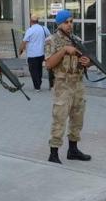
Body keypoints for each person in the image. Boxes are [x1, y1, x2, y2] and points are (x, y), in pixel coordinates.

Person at [45, 9, 92, 164]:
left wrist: (87, 63)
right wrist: (64, 50)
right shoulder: (52, 40)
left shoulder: (77, 40)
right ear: (59, 24)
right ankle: (54, 152)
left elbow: (87, 61)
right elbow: (49, 64)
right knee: (59, 118)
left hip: (78, 83)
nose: (70, 25)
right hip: (62, 85)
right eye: (66, 22)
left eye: (71, 22)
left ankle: (73, 149)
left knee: (77, 118)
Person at [19, 14, 47, 92]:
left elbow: (24, 42)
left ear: (31, 21)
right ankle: (39, 82)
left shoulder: (30, 30)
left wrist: (20, 50)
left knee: (33, 70)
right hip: (41, 53)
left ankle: (37, 86)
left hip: (32, 55)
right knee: (39, 69)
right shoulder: (43, 28)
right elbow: (49, 37)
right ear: (38, 21)